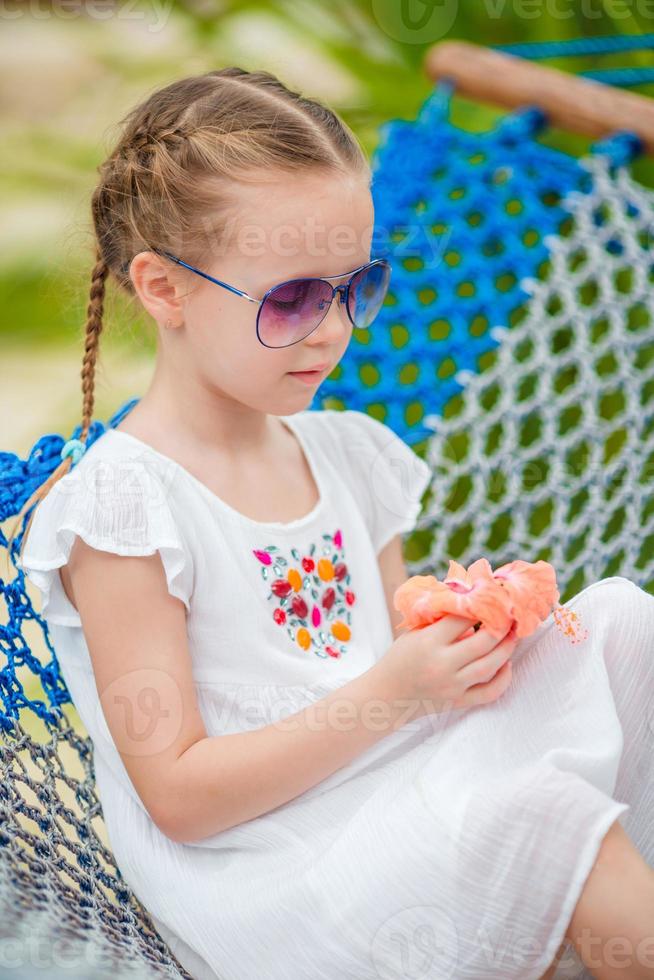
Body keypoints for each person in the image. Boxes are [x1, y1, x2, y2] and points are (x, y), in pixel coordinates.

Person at [11, 67, 654, 980]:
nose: (333, 331)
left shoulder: (350, 455)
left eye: (358, 287)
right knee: (549, 817)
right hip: (285, 879)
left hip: (398, 786)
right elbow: (182, 796)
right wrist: (401, 688)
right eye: (292, 299)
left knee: (627, 622)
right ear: (163, 289)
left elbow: (397, 647)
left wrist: (462, 628)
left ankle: (565, 934)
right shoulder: (125, 509)